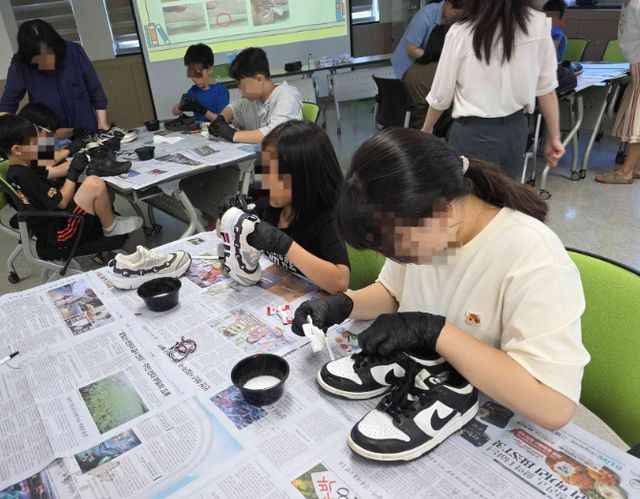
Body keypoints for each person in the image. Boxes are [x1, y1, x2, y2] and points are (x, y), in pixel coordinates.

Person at [293, 129, 589, 435]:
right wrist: (343, 304)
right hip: (421, 386)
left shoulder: (532, 255)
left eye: (393, 247)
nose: (388, 256)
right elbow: (393, 292)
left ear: (443, 213)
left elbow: (554, 406)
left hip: (484, 406)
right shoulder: (425, 226)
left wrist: (433, 332)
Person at [422, 0, 564, 180]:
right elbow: (546, 89)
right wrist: (554, 137)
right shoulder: (538, 25)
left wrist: (426, 130)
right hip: (515, 130)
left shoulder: (461, 31)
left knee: (472, 194)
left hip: (473, 133)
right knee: (506, 192)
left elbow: (441, 96)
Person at [219, 120, 350, 294]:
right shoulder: (270, 202)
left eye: (277, 176)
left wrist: (284, 245)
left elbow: (340, 282)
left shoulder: (326, 219)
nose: (266, 182)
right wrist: (228, 215)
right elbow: (221, 232)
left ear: (306, 177)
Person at [0, 115, 142, 246]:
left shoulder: (25, 166)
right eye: (35, 143)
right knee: (94, 183)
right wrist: (73, 173)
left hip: (57, 218)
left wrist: (83, 159)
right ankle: (111, 228)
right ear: (17, 149)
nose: (40, 146)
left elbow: (55, 171)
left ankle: (108, 220)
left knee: (100, 184)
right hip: (59, 232)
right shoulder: (23, 175)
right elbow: (62, 202)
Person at [0, 20, 109, 134]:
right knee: (48, 146)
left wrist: (102, 122)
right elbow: (9, 102)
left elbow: (94, 88)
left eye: (49, 53)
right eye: (39, 57)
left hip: (83, 123)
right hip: (47, 131)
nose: (46, 59)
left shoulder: (73, 51)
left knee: (89, 143)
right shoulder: (20, 63)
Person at [208, 47, 302, 144]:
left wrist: (232, 134)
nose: (239, 88)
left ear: (259, 79)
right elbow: (233, 108)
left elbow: (276, 134)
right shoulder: (254, 99)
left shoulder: (287, 97)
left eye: (240, 82)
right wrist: (221, 118)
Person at [595, 0, 640, 184]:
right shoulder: (628, 4)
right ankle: (636, 167)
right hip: (636, 62)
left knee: (637, 118)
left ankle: (625, 171)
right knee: (634, 114)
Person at [391, 0, 464, 78]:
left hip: (424, 67)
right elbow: (412, 49)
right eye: (454, 10)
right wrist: (437, 59)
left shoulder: (454, 19)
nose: (456, 15)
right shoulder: (426, 14)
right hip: (406, 67)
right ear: (447, 2)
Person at [171, 43, 230, 122]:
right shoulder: (193, 90)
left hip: (216, 128)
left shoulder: (221, 91)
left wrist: (202, 109)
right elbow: (175, 112)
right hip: (198, 129)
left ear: (209, 69)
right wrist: (181, 104)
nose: (195, 79)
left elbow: (222, 120)